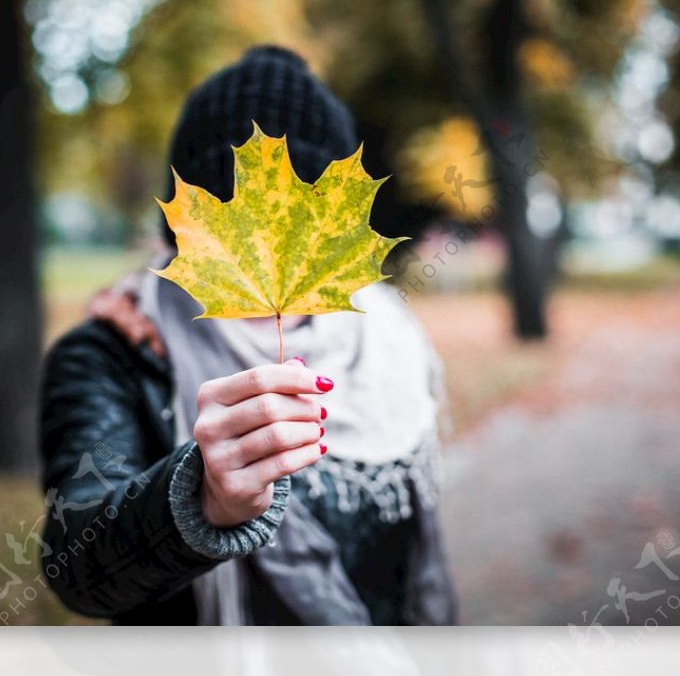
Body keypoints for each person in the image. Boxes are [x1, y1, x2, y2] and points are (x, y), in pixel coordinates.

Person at [39, 45, 457, 625]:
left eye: (298, 221)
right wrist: (200, 501)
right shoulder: (115, 354)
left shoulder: (388, 335)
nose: (269, 246)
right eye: (238, 218)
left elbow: (414, 565)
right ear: (186, 225)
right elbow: (76, 567)